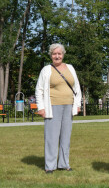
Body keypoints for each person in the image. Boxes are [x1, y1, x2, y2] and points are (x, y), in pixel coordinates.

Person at [35, 43, 82, 174]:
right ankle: (50, 166)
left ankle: (64, 163)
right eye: (54, 54)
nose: (57, 56)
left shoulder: (70, 68)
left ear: (63, 54)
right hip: (52, 106)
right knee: (52, 137)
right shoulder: (46, 70)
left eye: (59, 53)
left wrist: (77, 104)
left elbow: (77, 88)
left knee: (66, 137)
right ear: (51, 55)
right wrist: (41, 107)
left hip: (69, 106)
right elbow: (39, 90)